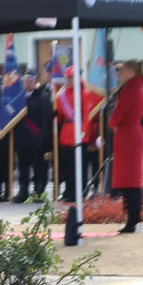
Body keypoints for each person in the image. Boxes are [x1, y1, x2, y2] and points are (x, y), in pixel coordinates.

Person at [109, 60, 143, 233]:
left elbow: (117, 115)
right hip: (134, 133)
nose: (120, 73)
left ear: (131, 71)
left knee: (129, 181)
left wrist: (111, 121)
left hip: (127, 135)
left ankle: (133, 219)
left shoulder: (129, 89)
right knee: (133, 180)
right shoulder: (140, 87)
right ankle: (135, 218)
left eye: (123, 70)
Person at [55, 66, 102, 202]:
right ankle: (69, 192)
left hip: (82, 133)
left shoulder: (86, 92)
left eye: (71, 77)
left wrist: (87, 135)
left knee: (80, 168)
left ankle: (79, 192)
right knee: (68, 167)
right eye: (67, 77)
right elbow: (60, 117)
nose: (68, 80)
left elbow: (89, 115)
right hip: (67, 135)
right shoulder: (61, 95)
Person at [14, 71, 52, 202]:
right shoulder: (18, 99)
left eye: (30, 80)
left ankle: (38, 191)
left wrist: (44, 138)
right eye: (25, 80)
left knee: (39, 168)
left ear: (35, 82)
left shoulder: (42, 97)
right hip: (22, 140)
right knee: (23, 167)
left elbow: (46, 119)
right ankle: (23, 191)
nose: (27, 83)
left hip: (36, 140)